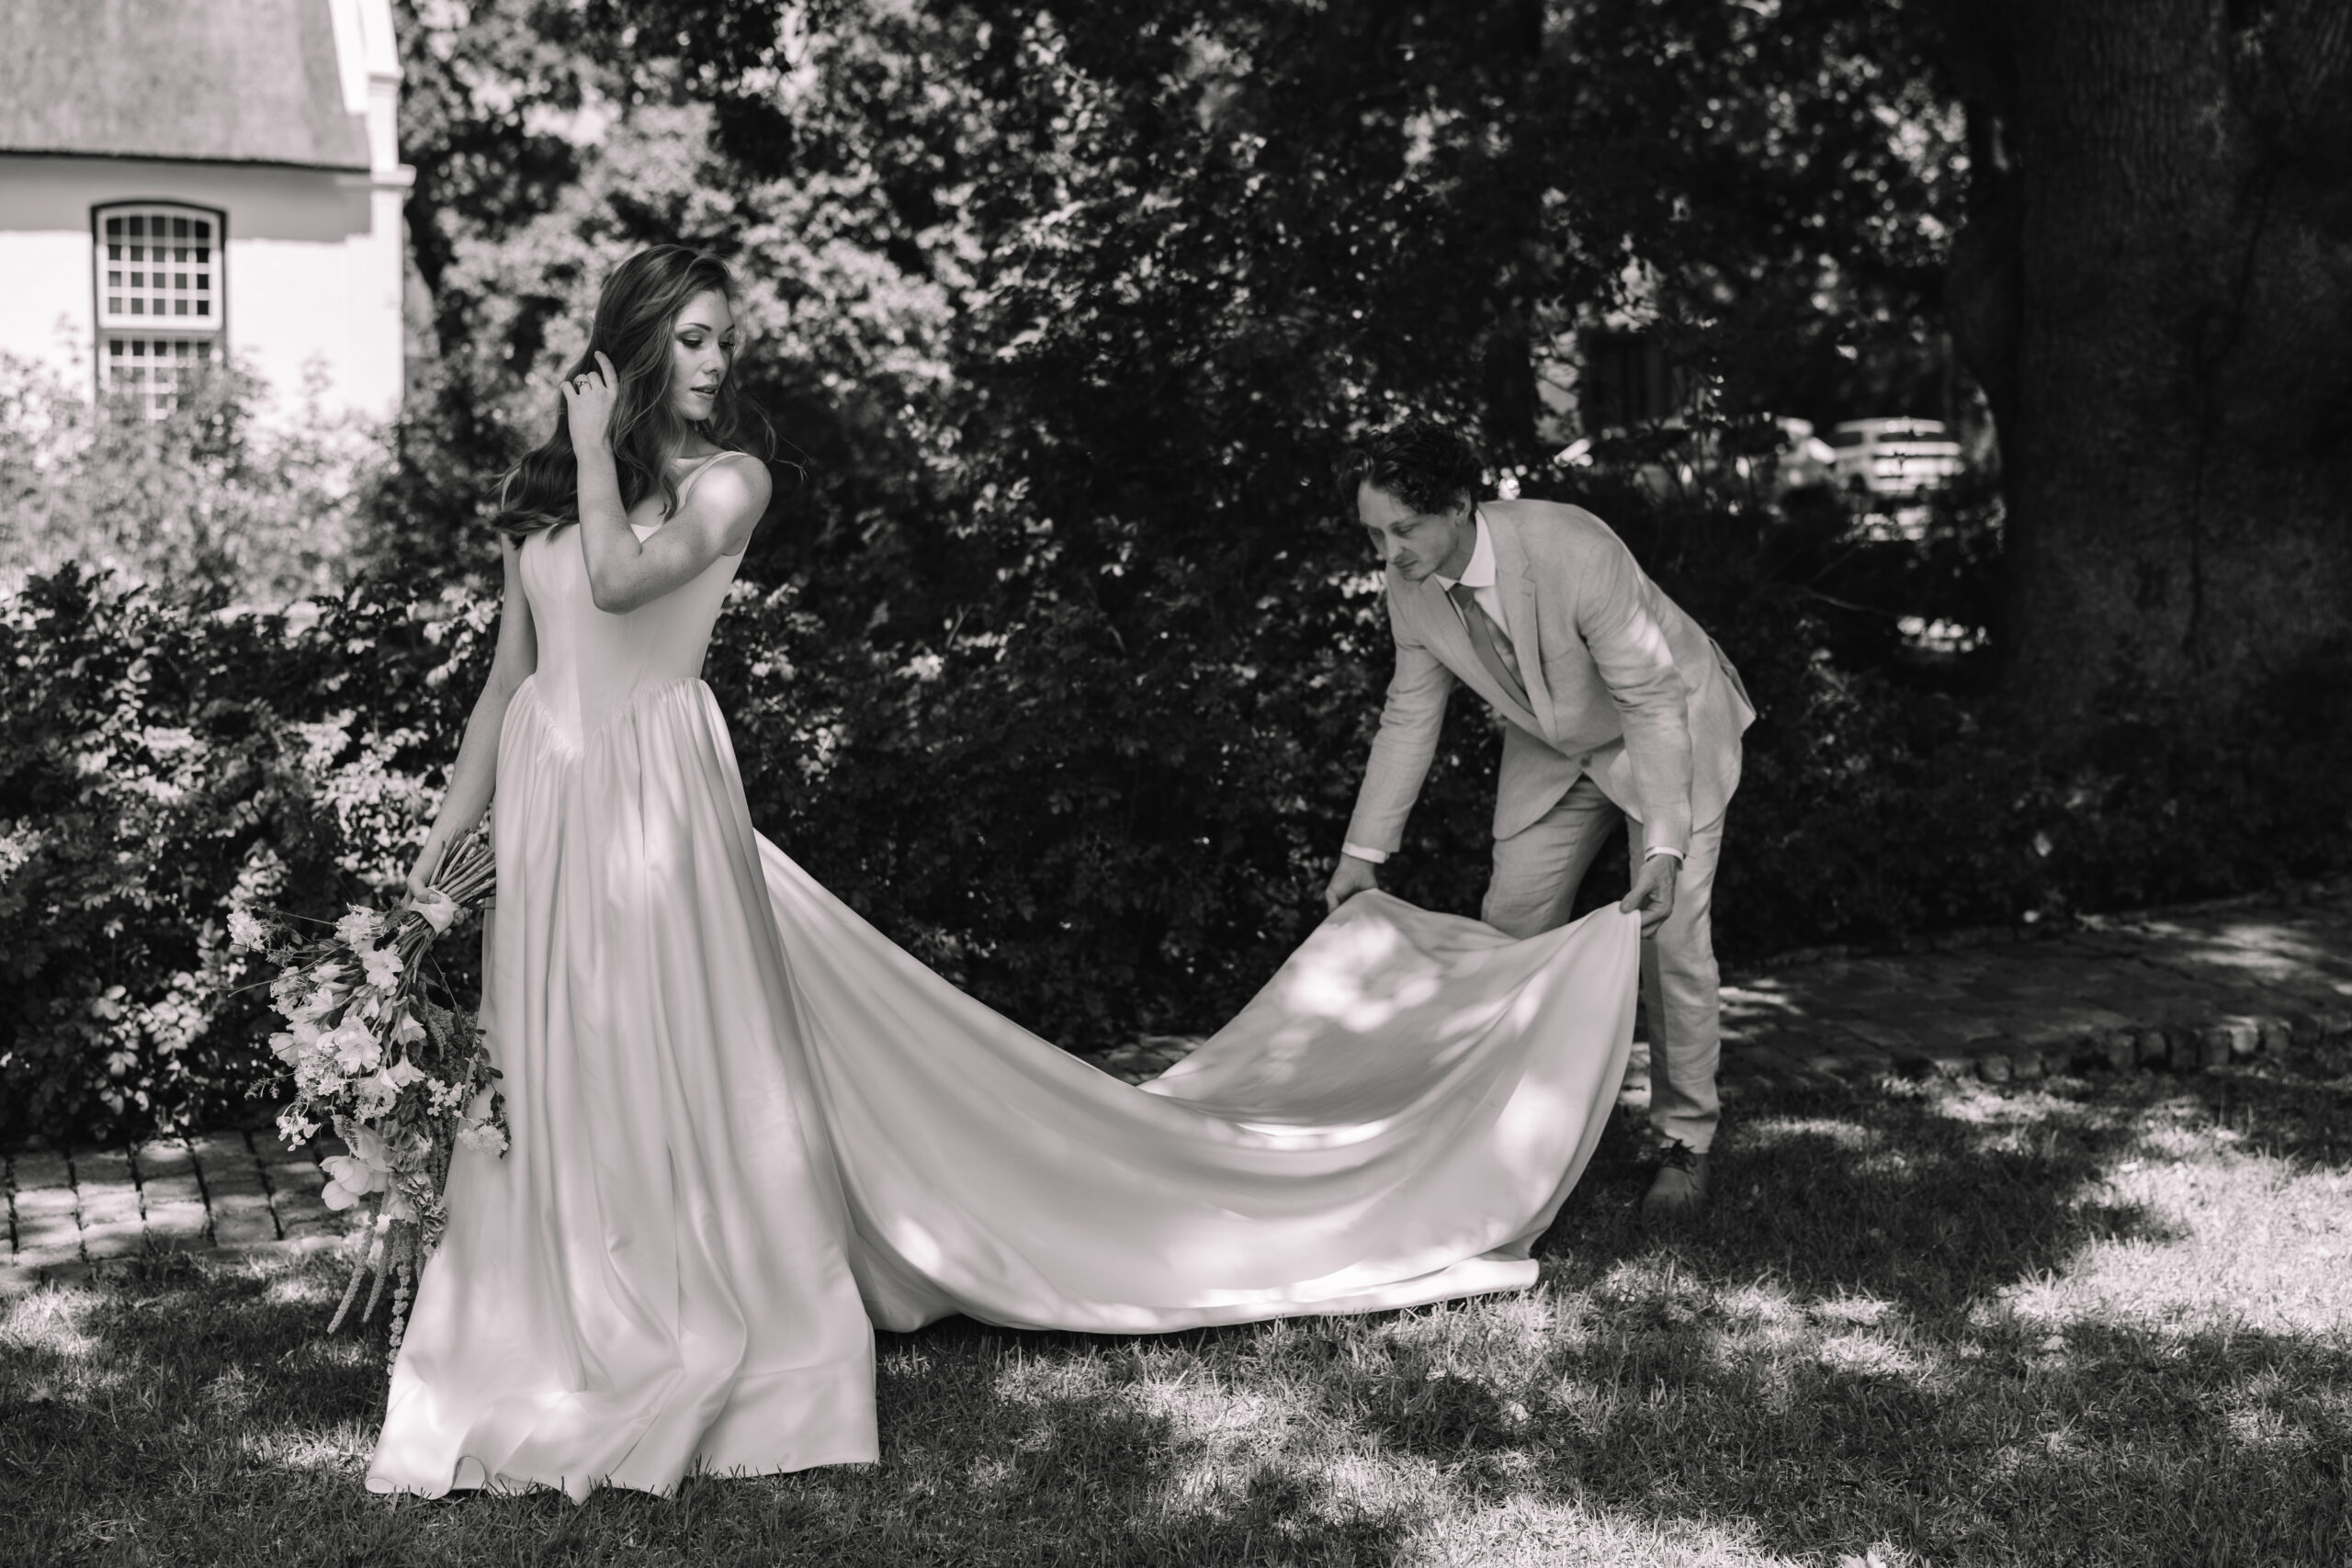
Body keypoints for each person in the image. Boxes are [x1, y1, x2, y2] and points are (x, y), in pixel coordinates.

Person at [367, 249, 1645, 1502]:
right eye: (692, 339)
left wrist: (595, 456)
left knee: (661, 1051)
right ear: (637, 340)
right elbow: (506, 687)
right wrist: (432, 864)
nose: (715, 362)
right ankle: (551, 1311)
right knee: (556, 1054)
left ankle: (676, 1302)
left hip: (656, 797)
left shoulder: (731, 480)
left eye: (724, 339)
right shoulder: (541, 497)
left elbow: (620, 579)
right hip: (553, 803)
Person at [1323, 417, 1754, 1222]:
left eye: (1404, 529)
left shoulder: (1572, 546)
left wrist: (1664, 847)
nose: (1389, 553)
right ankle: (1501, 1130)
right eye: (1375, 534)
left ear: (1459, 504)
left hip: (1669, 726)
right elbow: (1409, 714)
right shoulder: (1410, 587)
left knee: (1671, 942)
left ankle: (1684, 1140)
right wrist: (1362, 852)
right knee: (1510, 927)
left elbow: (1649, 697)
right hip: (1555, 746)